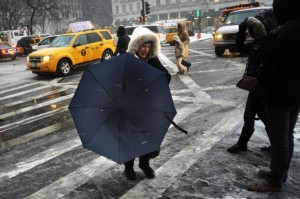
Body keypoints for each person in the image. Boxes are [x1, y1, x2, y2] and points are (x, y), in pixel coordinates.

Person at [248, 0, 300, 192]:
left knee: (279, 138)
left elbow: (268, 70)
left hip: (279, 95)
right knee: (287, 135)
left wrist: (257, 96)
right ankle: (279, 172)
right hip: (295, 95)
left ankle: (275, 179)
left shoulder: (282, 33)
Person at [227, 9, 279, 153]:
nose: (251, 33)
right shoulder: (257, 43)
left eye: (252, 30)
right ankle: (275, 144)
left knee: (249, 115)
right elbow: (239, 48)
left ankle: (242, 144)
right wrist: (241, 29)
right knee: (264, 117)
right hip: (257, 85)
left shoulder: (268, 44)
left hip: (260, 86)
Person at [124, 27, 171, 180]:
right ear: (136, 46)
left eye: (148, 46)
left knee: (149, 139)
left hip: (149, 108)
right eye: (143, 46)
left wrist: (151, 82)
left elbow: (167, 76)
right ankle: (128, 167)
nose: (145, 49)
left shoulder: (152, 60)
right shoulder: (128, 61)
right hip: (131, 108)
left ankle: (144, 163)